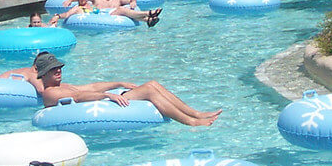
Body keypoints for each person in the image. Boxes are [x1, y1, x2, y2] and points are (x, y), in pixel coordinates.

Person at [36, 53, 220, 126]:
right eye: (53, 69)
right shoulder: (50, 93)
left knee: (153, 84)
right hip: (103, 103)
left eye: (59, 67)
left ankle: (196, 113)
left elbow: (90, 86)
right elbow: (79, 96)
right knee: (149, 89)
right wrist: (107, 95)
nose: (58, 70)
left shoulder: (61, 86)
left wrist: (118, 83)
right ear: (43, 74)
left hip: (106, 98)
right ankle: (191, 121)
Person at [58, 0, 161, 27]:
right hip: (104, 17)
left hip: (109, 16)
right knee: (122, 10)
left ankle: (148, 20)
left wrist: (133, 2)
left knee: (123, 11)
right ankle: (149, 13)